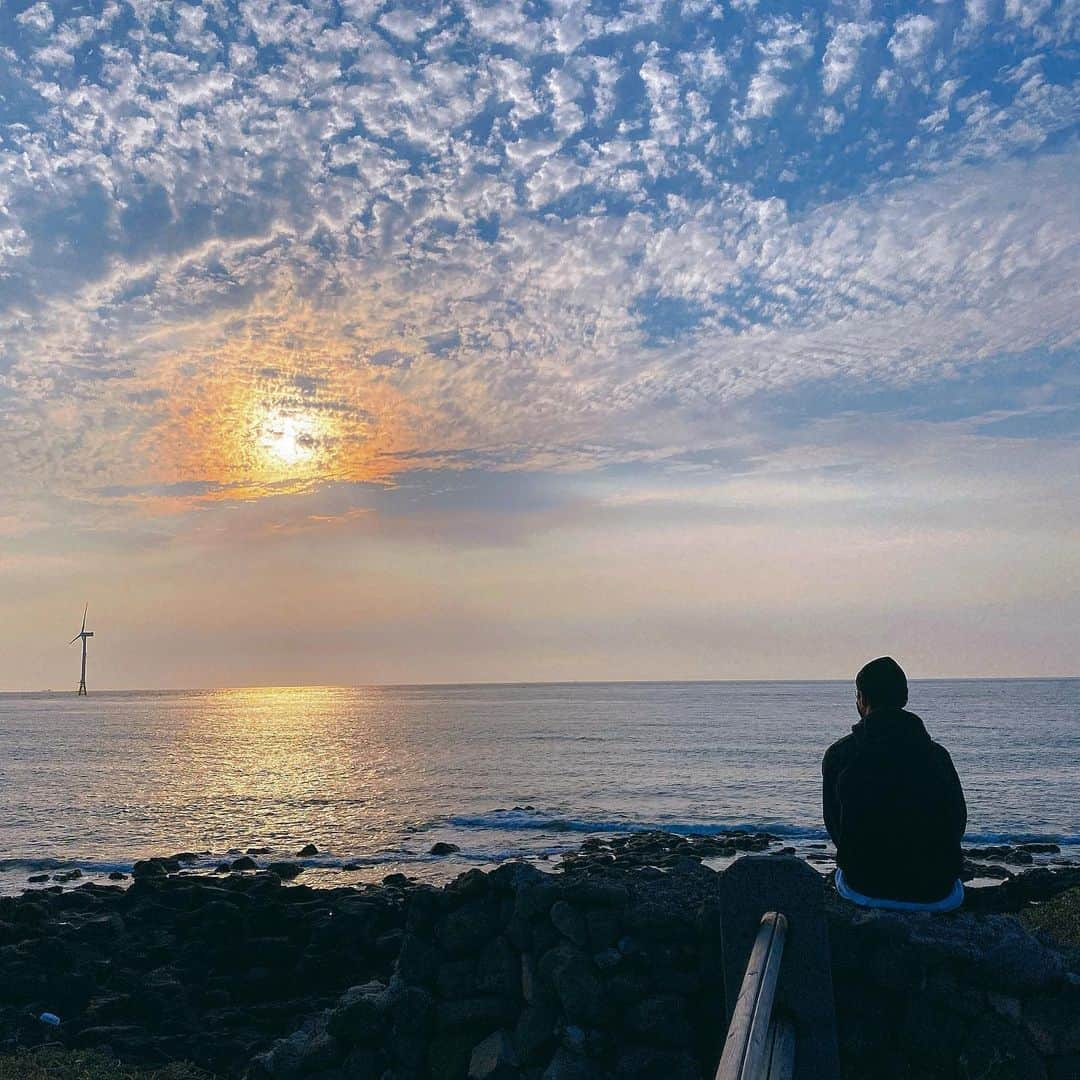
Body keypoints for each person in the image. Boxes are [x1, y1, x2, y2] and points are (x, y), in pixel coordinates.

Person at [822, 657, 966, 911]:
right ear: (905, 697)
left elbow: (836, 826)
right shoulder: (937, 756)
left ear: (862, 699)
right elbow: (957, 821)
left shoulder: (840, 755)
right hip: (937, 892)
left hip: (864, 887)